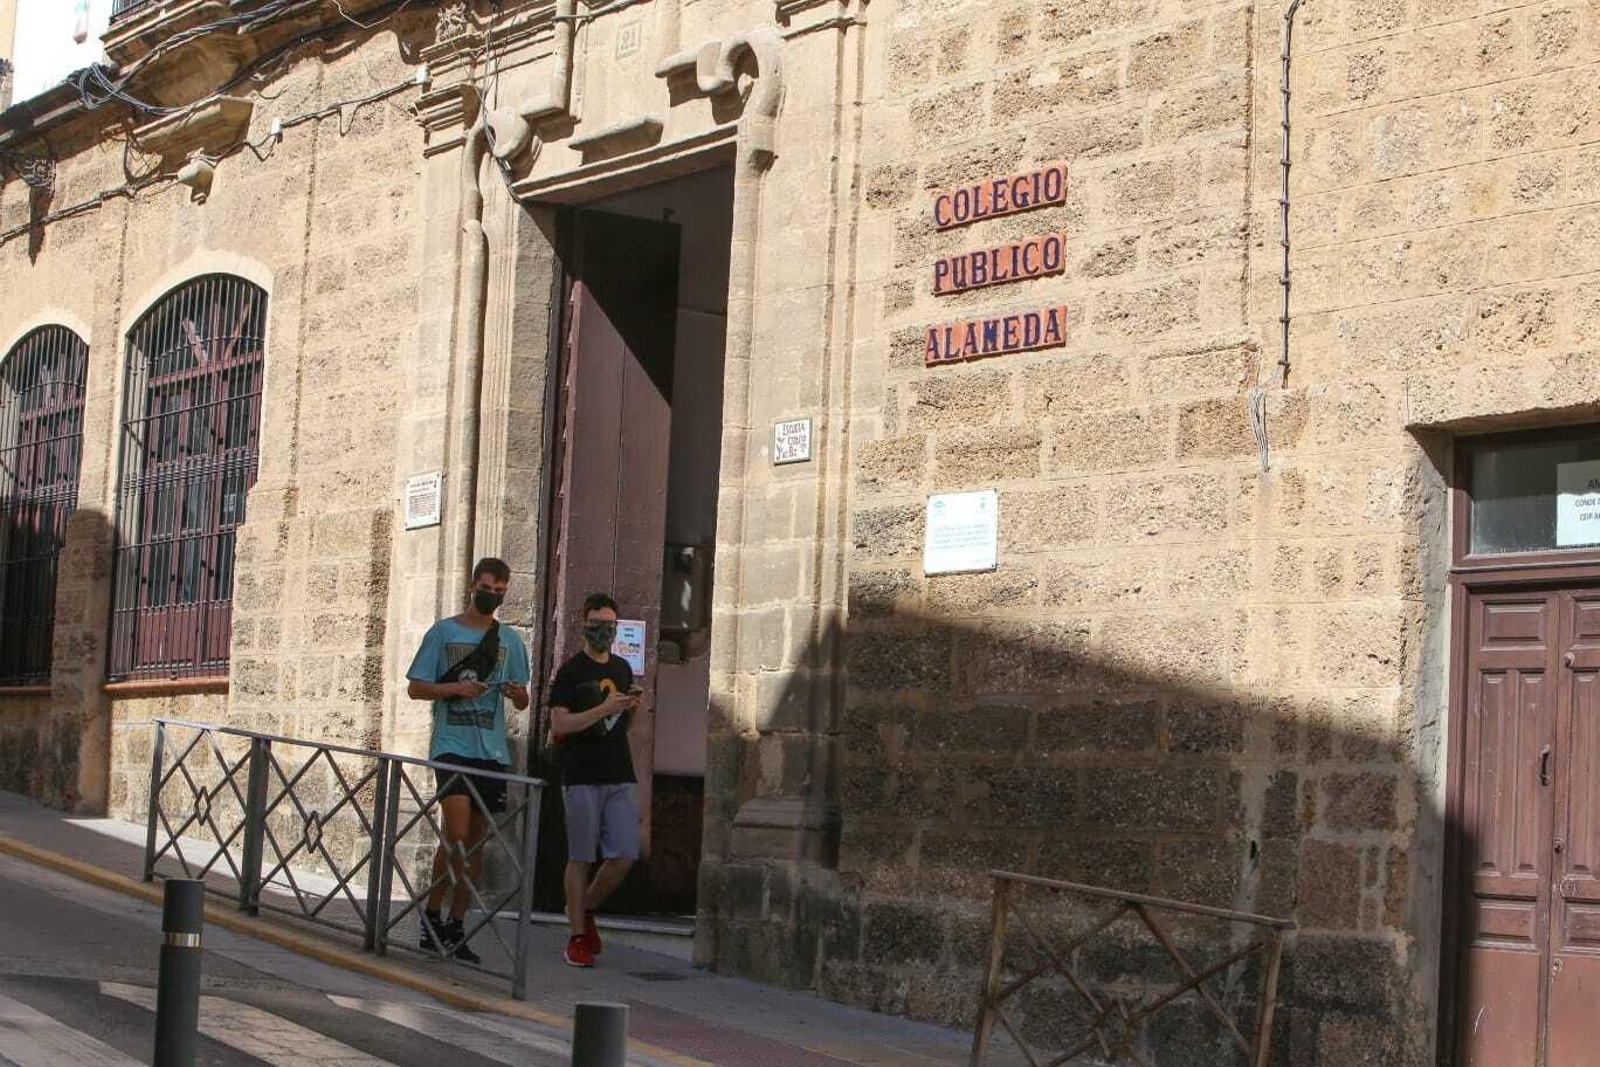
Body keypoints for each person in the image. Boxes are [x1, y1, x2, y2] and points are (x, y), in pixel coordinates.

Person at [404, 557, 530, 964]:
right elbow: (416, 688)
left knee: (474, 844)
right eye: (487, 587)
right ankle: (432, 913)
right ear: (473, 584)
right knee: (456, 834)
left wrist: (516, 695)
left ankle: (456, 924)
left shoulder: (509, 640)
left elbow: (524, 698)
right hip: (451, 745)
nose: (492, 595)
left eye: (500, 590)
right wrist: (454, 689)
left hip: (490, 749)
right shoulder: (443, 633)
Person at [547, 593, 645, 968]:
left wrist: (628, 708)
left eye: (610, 626)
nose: (603, 632)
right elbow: (560, 723)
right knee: (581, 855)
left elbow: (623, 726)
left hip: (619, 771)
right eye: (597, 625)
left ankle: (582, 909)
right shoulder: (569, 672)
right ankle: (576, 937)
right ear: (583, 625)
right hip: (581, 773)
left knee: (624, 853)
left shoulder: (622, 668)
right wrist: (603, 708)